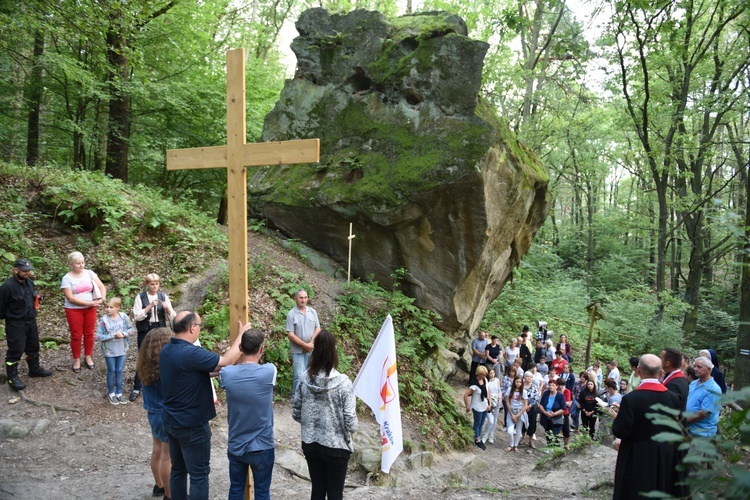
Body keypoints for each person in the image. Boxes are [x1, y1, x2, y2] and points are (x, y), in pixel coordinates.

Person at [159, 311, 247, 500]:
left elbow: (195, 373)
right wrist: (241, 336)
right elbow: (226, 361)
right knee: (199, 475)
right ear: (192, 328)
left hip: (171, 422)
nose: (199, 328)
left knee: (178, 470)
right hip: (191, 425)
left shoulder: (167, 350)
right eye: (199, 325)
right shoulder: (190, 352)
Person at [292, 330, 358, 500]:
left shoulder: (303, 378)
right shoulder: (343, 383)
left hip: (310, 443)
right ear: (334, 350)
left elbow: (296, 412)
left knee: (318, 489)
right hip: (336, 447)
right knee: (335, 493)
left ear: (315, 351)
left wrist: (311, 423)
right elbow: (351, 423)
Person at [611, 354, 685, 499]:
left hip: (637, 456)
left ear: (638, 371)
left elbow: (620, 430)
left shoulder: (631, 399)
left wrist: (616, 418)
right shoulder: (674, 398)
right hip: (665, 455)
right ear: (661, 373)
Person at [220, 328, 277, 500]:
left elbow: (225, 367)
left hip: (237, 444)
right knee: (262, 492)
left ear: (240, 348)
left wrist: (239, 336)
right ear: (262, 349)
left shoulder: (227, 374)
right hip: (263, 445)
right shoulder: (269, 371)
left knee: (236, 489)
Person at [0, 258, 52, 390]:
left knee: (33, 346)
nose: (27, 273)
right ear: (15, 270)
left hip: (30, 320)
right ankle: (12, 378)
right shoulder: (7, 287)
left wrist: (37, 297)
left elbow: (32, 294)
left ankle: (34, 369)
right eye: (24, 271)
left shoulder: (29, 282)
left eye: (28, 270)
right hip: (15, 323)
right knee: (16, 349)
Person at [135, 327, 173, 500]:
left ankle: (158, 485)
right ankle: (169, 494)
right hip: (164, 414)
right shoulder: (164, 368)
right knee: (167, 457)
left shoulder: (145, 364)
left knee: (157, 450)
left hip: (152, 413)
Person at [130, 273, 176, 402]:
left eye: (157, 284)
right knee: (143, 357)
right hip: (145, 330)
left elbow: (173, 317)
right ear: (147, 285)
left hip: (161, 329)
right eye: (152, 284)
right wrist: (149, 307)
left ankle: (161, 384)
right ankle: (137, 387)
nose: (155, 286)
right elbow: (137, 316)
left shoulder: (163, 297)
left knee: (163, 356)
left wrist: (167, 309)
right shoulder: (140, 297)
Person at [61, 251, 106, 372]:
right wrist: (88, 303)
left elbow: (101, 286)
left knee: (89, 333)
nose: (81, 265)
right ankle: (76, 359)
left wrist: (102, 298)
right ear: (71, 264)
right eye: (78, 263)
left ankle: (88, 356)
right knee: (76, 335)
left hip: (91, 308)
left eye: (82, 262)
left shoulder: (90, 273)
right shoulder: (66, 278)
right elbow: (70, 298)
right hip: (74, 310)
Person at [95, 297, 134, 405]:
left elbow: (131, 329)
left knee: (119, 370)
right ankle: (111, 393)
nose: (107, 309)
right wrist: (111, 335)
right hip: (109, 350)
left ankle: (119, 393)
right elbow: (97, 336)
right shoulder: (104, 320)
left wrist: (124, 334)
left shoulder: (123, 317)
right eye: (106, 307)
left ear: (117, 308)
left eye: (111, 307)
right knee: (111, 370)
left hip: (122, 348)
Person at [287, 289, 321, 396]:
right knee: (298, 375)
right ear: (295, 299)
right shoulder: (291, 314)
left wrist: (310, 343)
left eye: (305, 297)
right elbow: (290, 334)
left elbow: (318, 329)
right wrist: (304, 345)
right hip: (298, 351)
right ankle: (296, 398)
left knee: (311, 374)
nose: (303, 300)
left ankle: (308, 397)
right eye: (301, 297)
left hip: (311, 349)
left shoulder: (313, 312)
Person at [686, 356, 722, 437]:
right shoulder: (693, 383)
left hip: (702, 433)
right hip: (689, 429)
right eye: (694, 366)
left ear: (709, 369)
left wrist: (684, 421)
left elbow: (704, 413)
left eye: (699, 367)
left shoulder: (713, 389)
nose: (695, 369)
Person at [464, 365, 490, 450]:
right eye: (482, 375)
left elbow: (488, 391)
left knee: (482, 423)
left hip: (484, 405)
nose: (484, 376)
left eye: (485, 374)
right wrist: (467, 406)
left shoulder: (485, 380)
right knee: (477, 423)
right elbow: (465, 395)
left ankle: (478, 436)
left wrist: (490, 403)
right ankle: (477, 439)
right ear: (478, 374)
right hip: (477, 406)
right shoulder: (474, 385)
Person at [538, 378, 566, 447]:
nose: (551, 387)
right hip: (546, 417)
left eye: (553, 385)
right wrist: (544, 412)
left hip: (556, 419)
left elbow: (563, 408)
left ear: (556, 387)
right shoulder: (546, 393)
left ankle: (557, 449)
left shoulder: (560, 395)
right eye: (550, 385)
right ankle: (549, 447)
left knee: (556, 435)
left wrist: (554, 414)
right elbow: (541, 405)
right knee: (548, 433)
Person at [504, 375, 528, 452]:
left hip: (520, 412)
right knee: (510, 431)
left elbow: (525, 405)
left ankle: (515, 445)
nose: (518, 383)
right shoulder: (509, 390)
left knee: (518, 430)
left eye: (520, 382)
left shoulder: (524, 392)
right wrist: (512, 414)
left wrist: (518, 415)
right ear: (514, 381)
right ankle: (511, 444)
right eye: (517, 381)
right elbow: (507, 402)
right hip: (511, 411)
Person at [481, 368, 502, 444]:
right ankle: (485, 435)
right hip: (489, 402)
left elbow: (499, 390)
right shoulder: (486, 382)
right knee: (490, 420)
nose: (492, 374)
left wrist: (500, 398)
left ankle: (491, 435)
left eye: (493, 373)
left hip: (496, 401)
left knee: (495, 419)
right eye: (490, 373)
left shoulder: (497, 380)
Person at [521, 370, 540, 448]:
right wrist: (525, 406)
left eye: (531, 377)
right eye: (527, 376)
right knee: (522, 423)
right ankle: (523, 437)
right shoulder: (521, 386)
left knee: (532, 424)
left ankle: (531, 440)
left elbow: (536, 398)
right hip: (522, 407)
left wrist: (529, 406)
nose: (529, 378)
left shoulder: (535, 386)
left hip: (532, 407)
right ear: (524, 377)